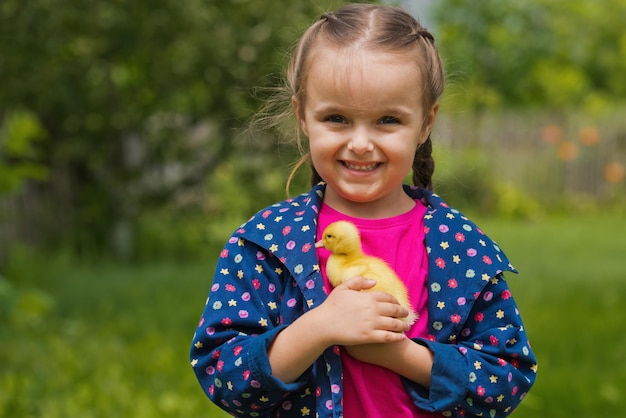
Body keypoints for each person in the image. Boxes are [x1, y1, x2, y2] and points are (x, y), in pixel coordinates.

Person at [190, 3, 537, 417]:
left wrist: (399, 355)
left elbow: (507, 375)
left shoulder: (458, 245)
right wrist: (317, 329)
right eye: (336, 118)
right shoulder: (267, 242)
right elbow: (222, 374)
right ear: (303, 115)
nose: (360, 143)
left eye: (387, 120)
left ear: (426, 122)